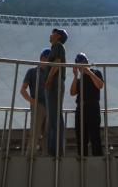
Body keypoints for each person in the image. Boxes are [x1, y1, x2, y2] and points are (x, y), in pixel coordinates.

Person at [70, 52, 105, 156]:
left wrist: (89, 72)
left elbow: (100, 85)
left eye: (83, 63)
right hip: (81, 107)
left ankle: (97, 157)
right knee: (81, 135)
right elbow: (72, 92)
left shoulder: (96, 73)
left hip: (93, 106)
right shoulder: (79, 79)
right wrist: (75, 76)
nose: (82, 66)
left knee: (95, 134)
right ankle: (82, 158)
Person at [21, 48, 51, 156]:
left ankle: (45, 157)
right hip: (38, 105)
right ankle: (30, 156)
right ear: (42, 58)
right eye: (48, 59)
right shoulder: (32, 72)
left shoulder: (50, 74)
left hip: (49, 106)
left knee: (47, 134)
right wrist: (32, 101)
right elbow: (23, 90)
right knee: (35, 132)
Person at [44, 28, 68, 156]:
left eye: (53, 33)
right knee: (54, 115)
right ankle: (54, 148)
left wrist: (49, 79)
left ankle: (56, 149)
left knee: (55, 115)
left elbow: (57, 62)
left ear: (58, 36)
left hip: (55, 83)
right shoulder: (56, 47)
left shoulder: (58, 46)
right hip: (55, 83)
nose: (51, 34)